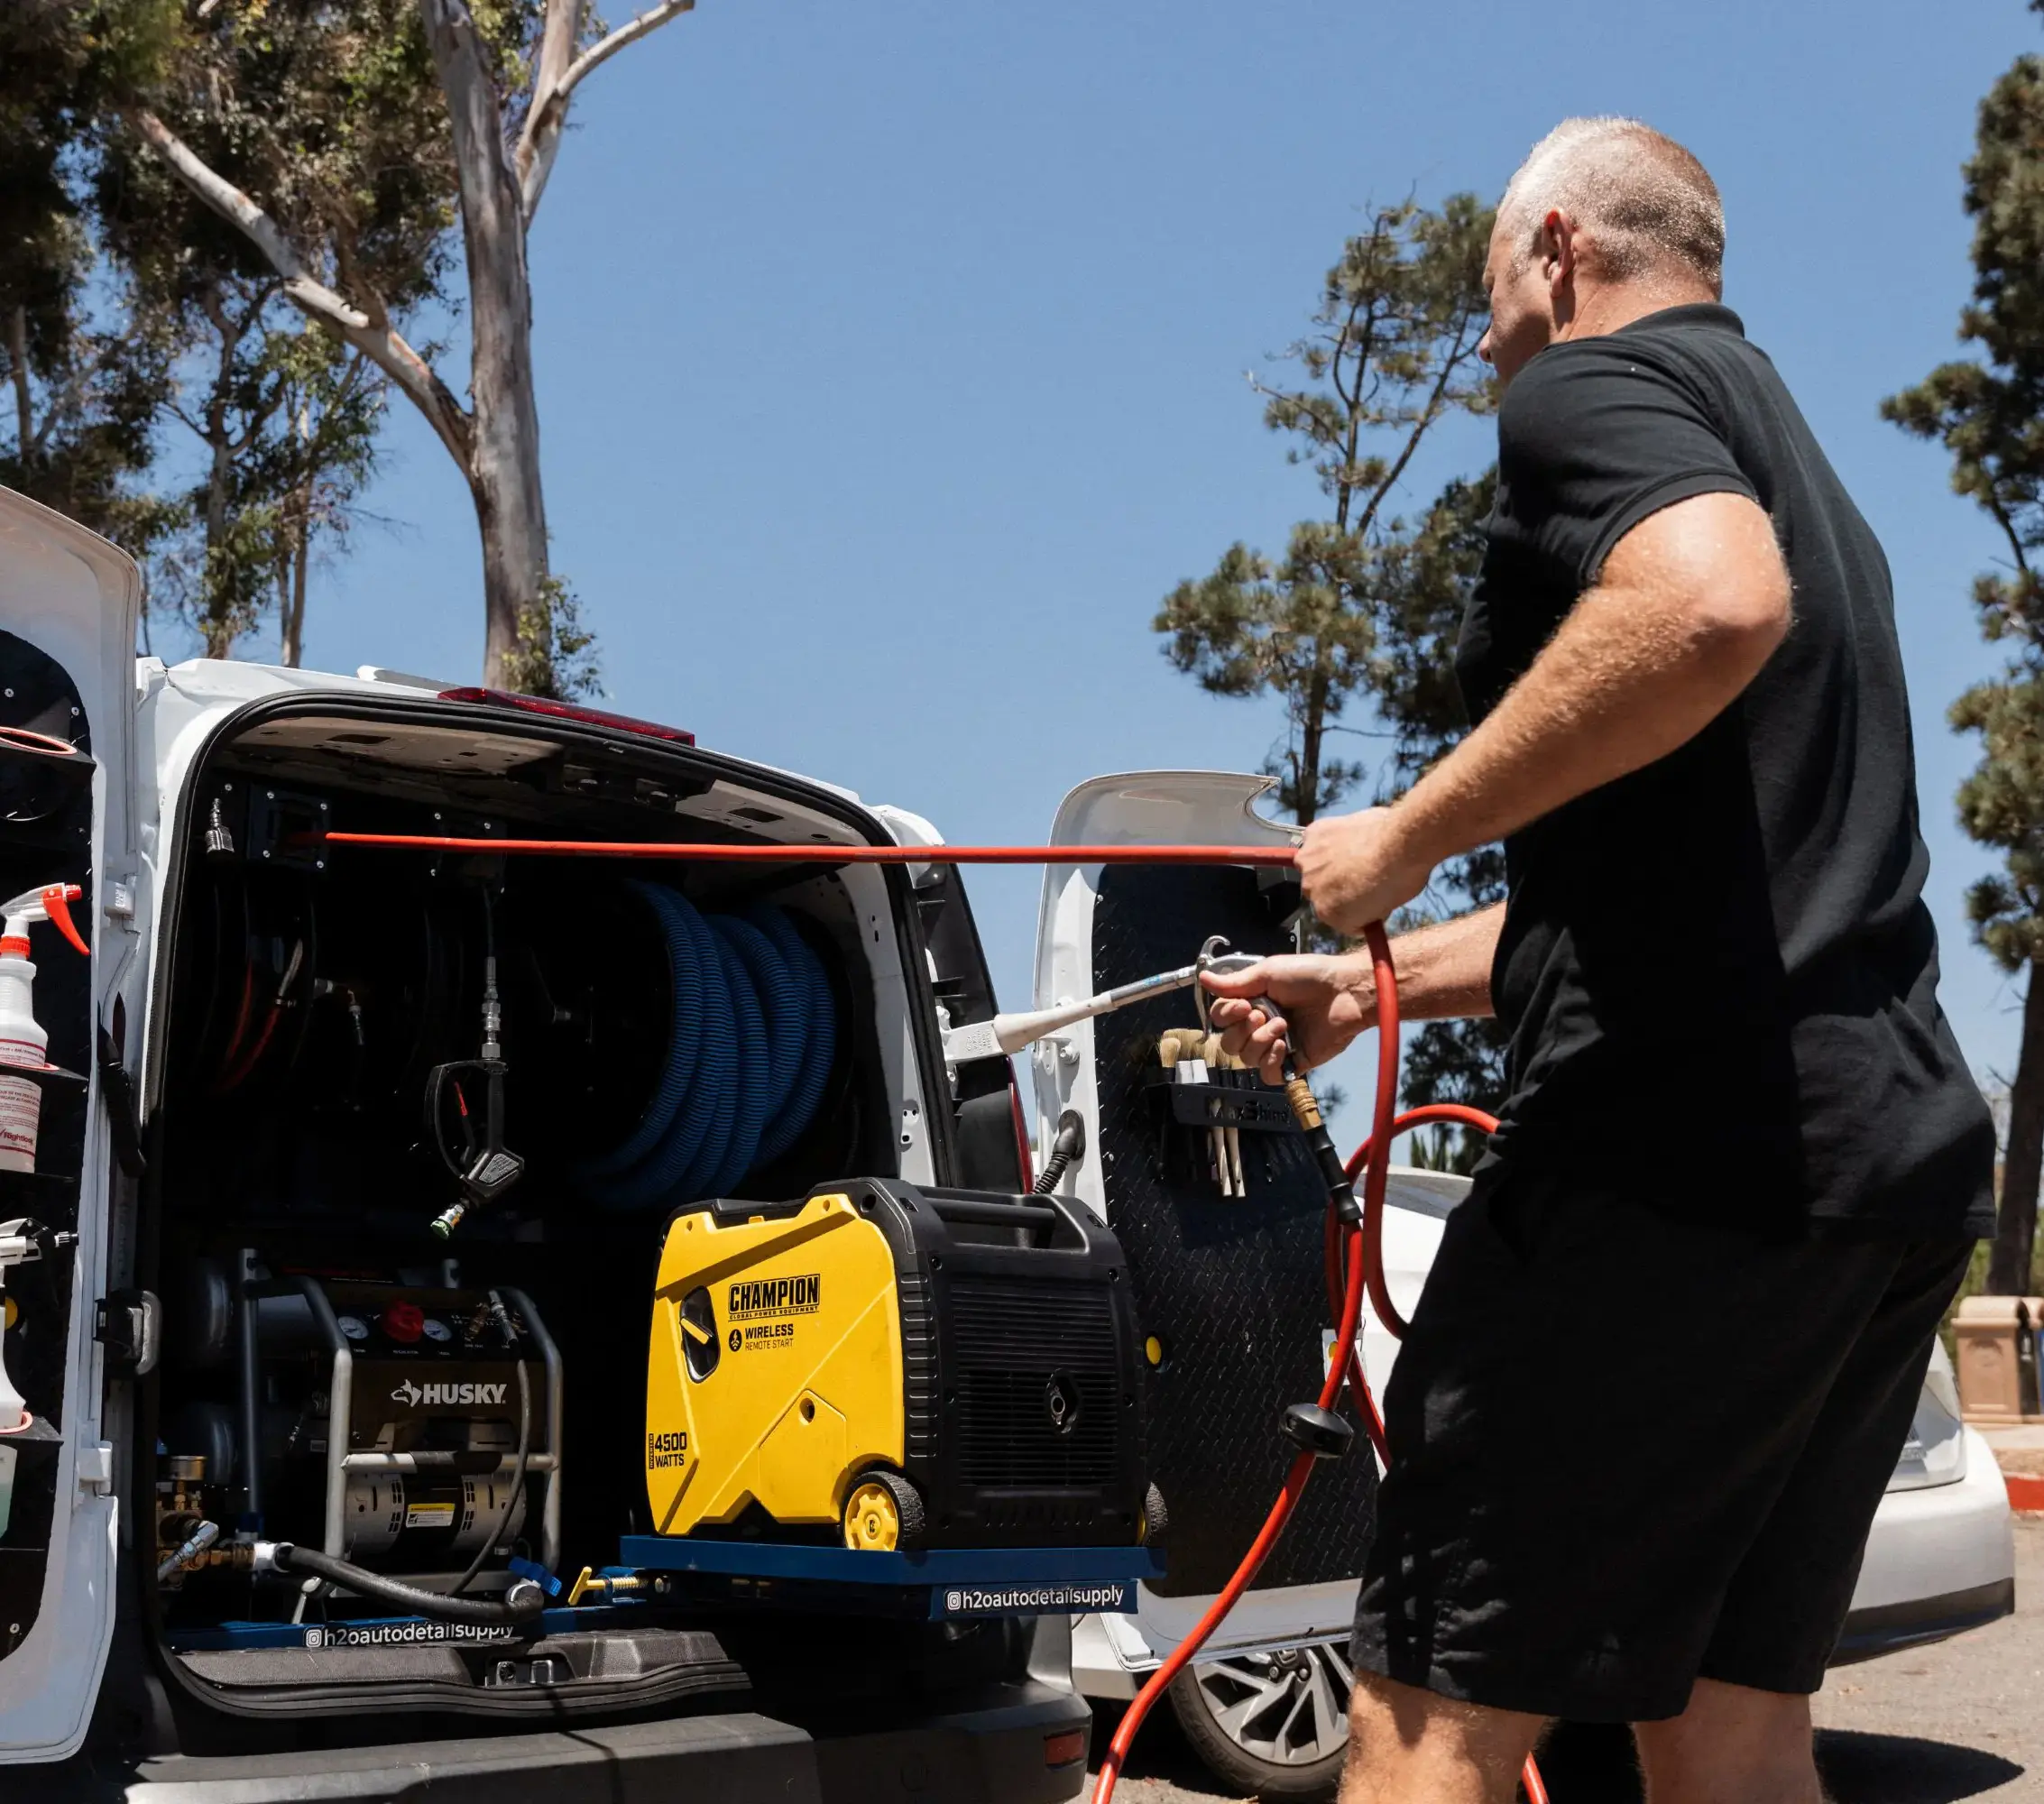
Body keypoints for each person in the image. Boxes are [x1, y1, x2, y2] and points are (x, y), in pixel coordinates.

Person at [1203, 116, 1995, 1804]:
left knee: (1432, 1716)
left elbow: (1707, 606)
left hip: (1678, 1166)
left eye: (1488, 294)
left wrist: (1401, 831)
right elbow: (1685, 891)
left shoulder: (1584, 389)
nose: (1486, 341)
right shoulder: (1790, 450)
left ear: (1556, 249)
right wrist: (1371, 984)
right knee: (1727, 1736)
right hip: (1881, 1167)